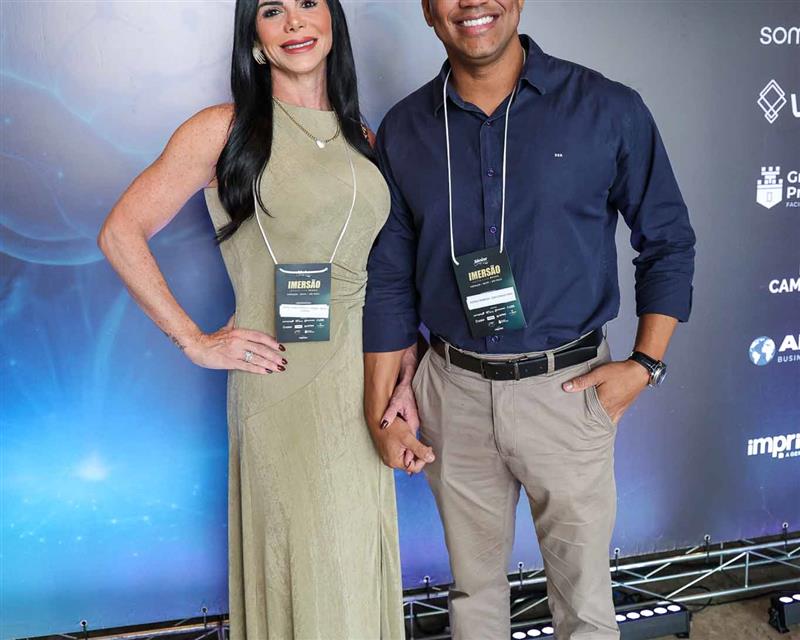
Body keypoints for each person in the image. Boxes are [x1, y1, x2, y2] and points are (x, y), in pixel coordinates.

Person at [363, 1, 696, 639]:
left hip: (567, 391)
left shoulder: (606, 108)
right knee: (473, 596)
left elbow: (668, 241)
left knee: (584, 605)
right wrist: (383, 404)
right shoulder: (405, 128)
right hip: (451, 392)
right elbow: (388, 278)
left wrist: (645, 364)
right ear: (429, 11)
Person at [98, 0, 421, 637]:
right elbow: (120, 232)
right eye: (273, 10)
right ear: (254, 38)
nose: (294, 22)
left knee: (355, 566)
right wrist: (193, 341)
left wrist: (404, 367)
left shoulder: (362, 137)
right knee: (306, 570)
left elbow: (382, 273)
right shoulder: (222, 130)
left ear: (332, 24)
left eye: (309, 4)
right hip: (280, 386)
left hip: (364, 385)